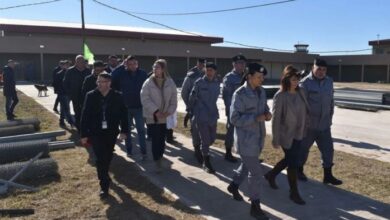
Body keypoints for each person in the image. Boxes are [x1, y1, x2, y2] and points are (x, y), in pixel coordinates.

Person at [227, 63, 271, 220]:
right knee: (256, 173)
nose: (262, 79)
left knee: (246, 166)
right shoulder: (240, 94)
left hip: (258, 138)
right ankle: (255, 206)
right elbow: (234, 118)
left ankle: (233, 186)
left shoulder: (261, 92)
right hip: (246, 141)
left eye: (263, 77)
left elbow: (264, 107)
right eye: (259, 77)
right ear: (249, 77)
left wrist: (267, 113)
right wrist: (254, 118)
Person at [264, 65, 309, 205]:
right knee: (293, 163)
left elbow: (305, 110)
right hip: (286, 135)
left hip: (299, 133)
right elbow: (276, 119)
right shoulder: (280, 95)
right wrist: (275, 138)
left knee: (290, 160)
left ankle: (271, 175)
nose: (297, 82)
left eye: (298, 79)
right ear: (287, 79)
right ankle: (293, 192)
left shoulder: (301, 92)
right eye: (294, 79)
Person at [80, 73, 128, 199]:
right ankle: (104, 185)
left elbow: (124, 115)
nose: (101, 84)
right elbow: (85, 115)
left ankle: (105, 174)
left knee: (107, 156)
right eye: (99, 81)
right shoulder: (91, 95)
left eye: (104, 82)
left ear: (109, 83)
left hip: (111, 131)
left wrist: (124, 131)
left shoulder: (117, 96)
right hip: (95, 132)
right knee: (100, 158)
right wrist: (84, 134)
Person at [298, 59, 342, 185]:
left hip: (324, 125)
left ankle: (327, 176)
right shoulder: (305, 83)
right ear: (313, 67)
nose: (321, 72)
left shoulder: (329, 81)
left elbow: (331, 102)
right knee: (303, 149)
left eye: (324, 70)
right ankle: (299, 170)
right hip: (309, 125)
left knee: (328, 150)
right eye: (319, 69)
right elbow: (301, 105)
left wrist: (330, 118)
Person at [140, 59, 177, 172]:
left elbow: (174, 99)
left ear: (163, 69)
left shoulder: (170, 82)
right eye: (154, 67)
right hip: (153, 117)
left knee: (162, 139)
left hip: (165, 116)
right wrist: (156, 111)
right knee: (155, 139)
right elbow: (144, 98)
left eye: (158, 67)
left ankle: (160, 156)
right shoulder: (148, 82)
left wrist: (169, 111)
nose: (155, 69)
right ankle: (157, 160)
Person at [111, 55, 148, 159]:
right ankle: (129, 151)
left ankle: (144, 152)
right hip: (125, 107)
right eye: (129, 64)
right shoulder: (121, 73)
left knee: (141, 130)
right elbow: (112, 77)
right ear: (126, 64)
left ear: (137, 64)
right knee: (126, 131)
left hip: (139, 107)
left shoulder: (143, 74)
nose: (132, 66)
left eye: (134, 64)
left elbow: (148, 88)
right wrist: (121, 66)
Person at [189, 62, 220, 174]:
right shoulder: (199, 83)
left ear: (215, 71)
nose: (209, 71)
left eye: (212, 70)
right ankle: (206, 162)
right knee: (206, 140)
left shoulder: (217, 83)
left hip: (212, 114)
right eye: (208, 69)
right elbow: (192, 97)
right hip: (201, 114)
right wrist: (190, 111)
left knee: (212, 138)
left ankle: (202, 149)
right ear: (205, 70)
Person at [222, 54, 248, 163]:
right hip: (234, 110)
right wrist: (230, 110)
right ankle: (228, 152)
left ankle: (246, 155)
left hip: (246, 110)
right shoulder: (229, 77)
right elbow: (226, 95)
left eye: (243, 63)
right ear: (234, 64)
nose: (241, 65)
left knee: (245, 132)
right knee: (231, 131)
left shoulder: (247, 76)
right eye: (239, 63)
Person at [181, 58, 206, 164]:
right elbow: (184, 92)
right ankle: (197, 150)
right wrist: (189, 105)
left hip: (205, 108)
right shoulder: (191, 75)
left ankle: (203, 149)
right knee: (195, 130)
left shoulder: (207, 73)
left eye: (203, 63)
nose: (202, 65)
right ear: (197, 64)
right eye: (200, 63)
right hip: (194, 107)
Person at [63, 55, 91, 131]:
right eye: (79, 61)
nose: (81, 63)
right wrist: (70, 93)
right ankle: (79, 127)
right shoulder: (70, 71)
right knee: (77, 112)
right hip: (75, 96)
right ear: (76, 62)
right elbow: (65, 83)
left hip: (86, 96)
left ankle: (86, 126)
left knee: (86, 111)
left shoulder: (88, 71)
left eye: (82, 61)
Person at [53, 60, 74, 127]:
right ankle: (71, 122)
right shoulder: (59, 73)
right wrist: (58, 92)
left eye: (68, 65)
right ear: (63, 65)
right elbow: (56, 83)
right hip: (62, 94)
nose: (67, 66)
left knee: (63, 108)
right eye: (66, 65)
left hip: (68, 94)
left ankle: (61, 121)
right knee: (67, 108)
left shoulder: (70, 73)